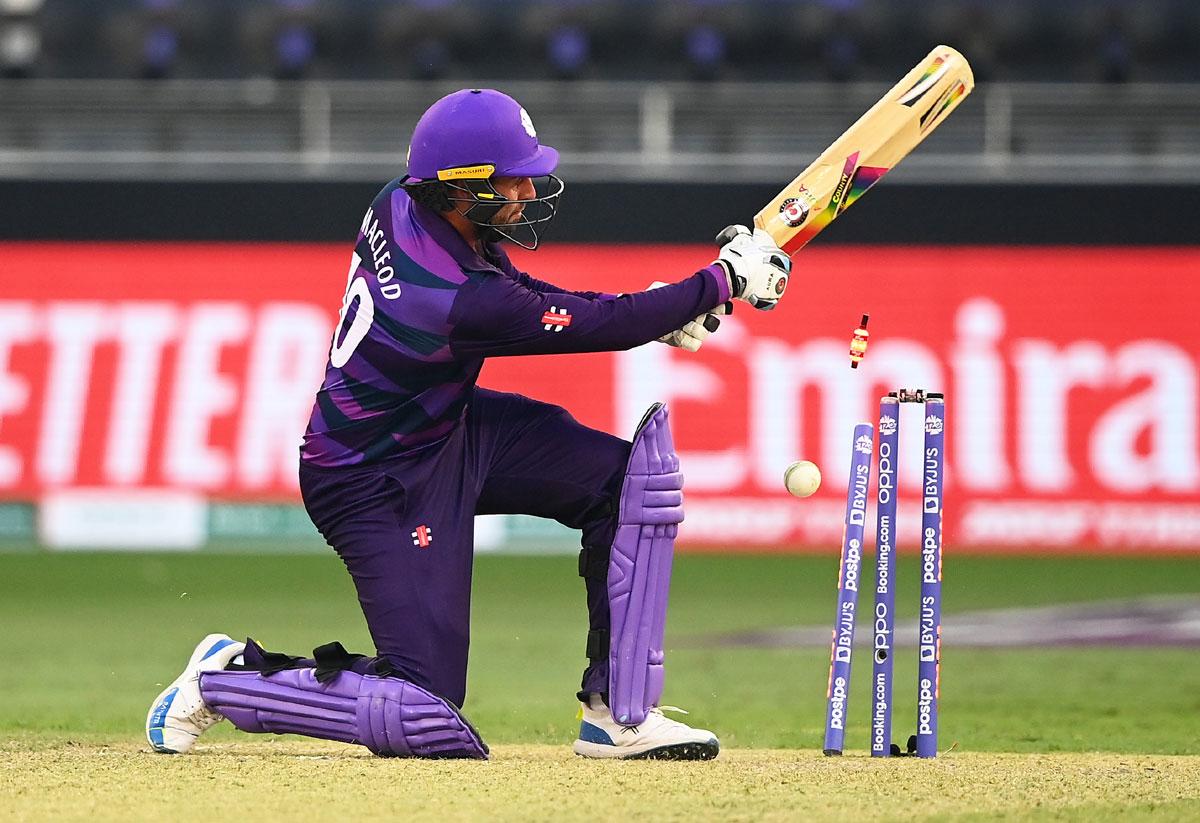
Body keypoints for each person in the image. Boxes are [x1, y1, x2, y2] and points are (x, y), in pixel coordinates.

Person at [146, 89, 790, 761]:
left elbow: (537, 299)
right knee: (424, 703)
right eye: (510, 177)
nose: (527, 187)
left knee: (626, 485)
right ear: (459, 187)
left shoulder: (400, 200)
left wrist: (661, 308)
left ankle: (618, 712)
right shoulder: (450, 298)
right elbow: (582, 325)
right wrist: (718, 281)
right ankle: (224, 678)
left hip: (447, 428)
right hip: (373, 480)